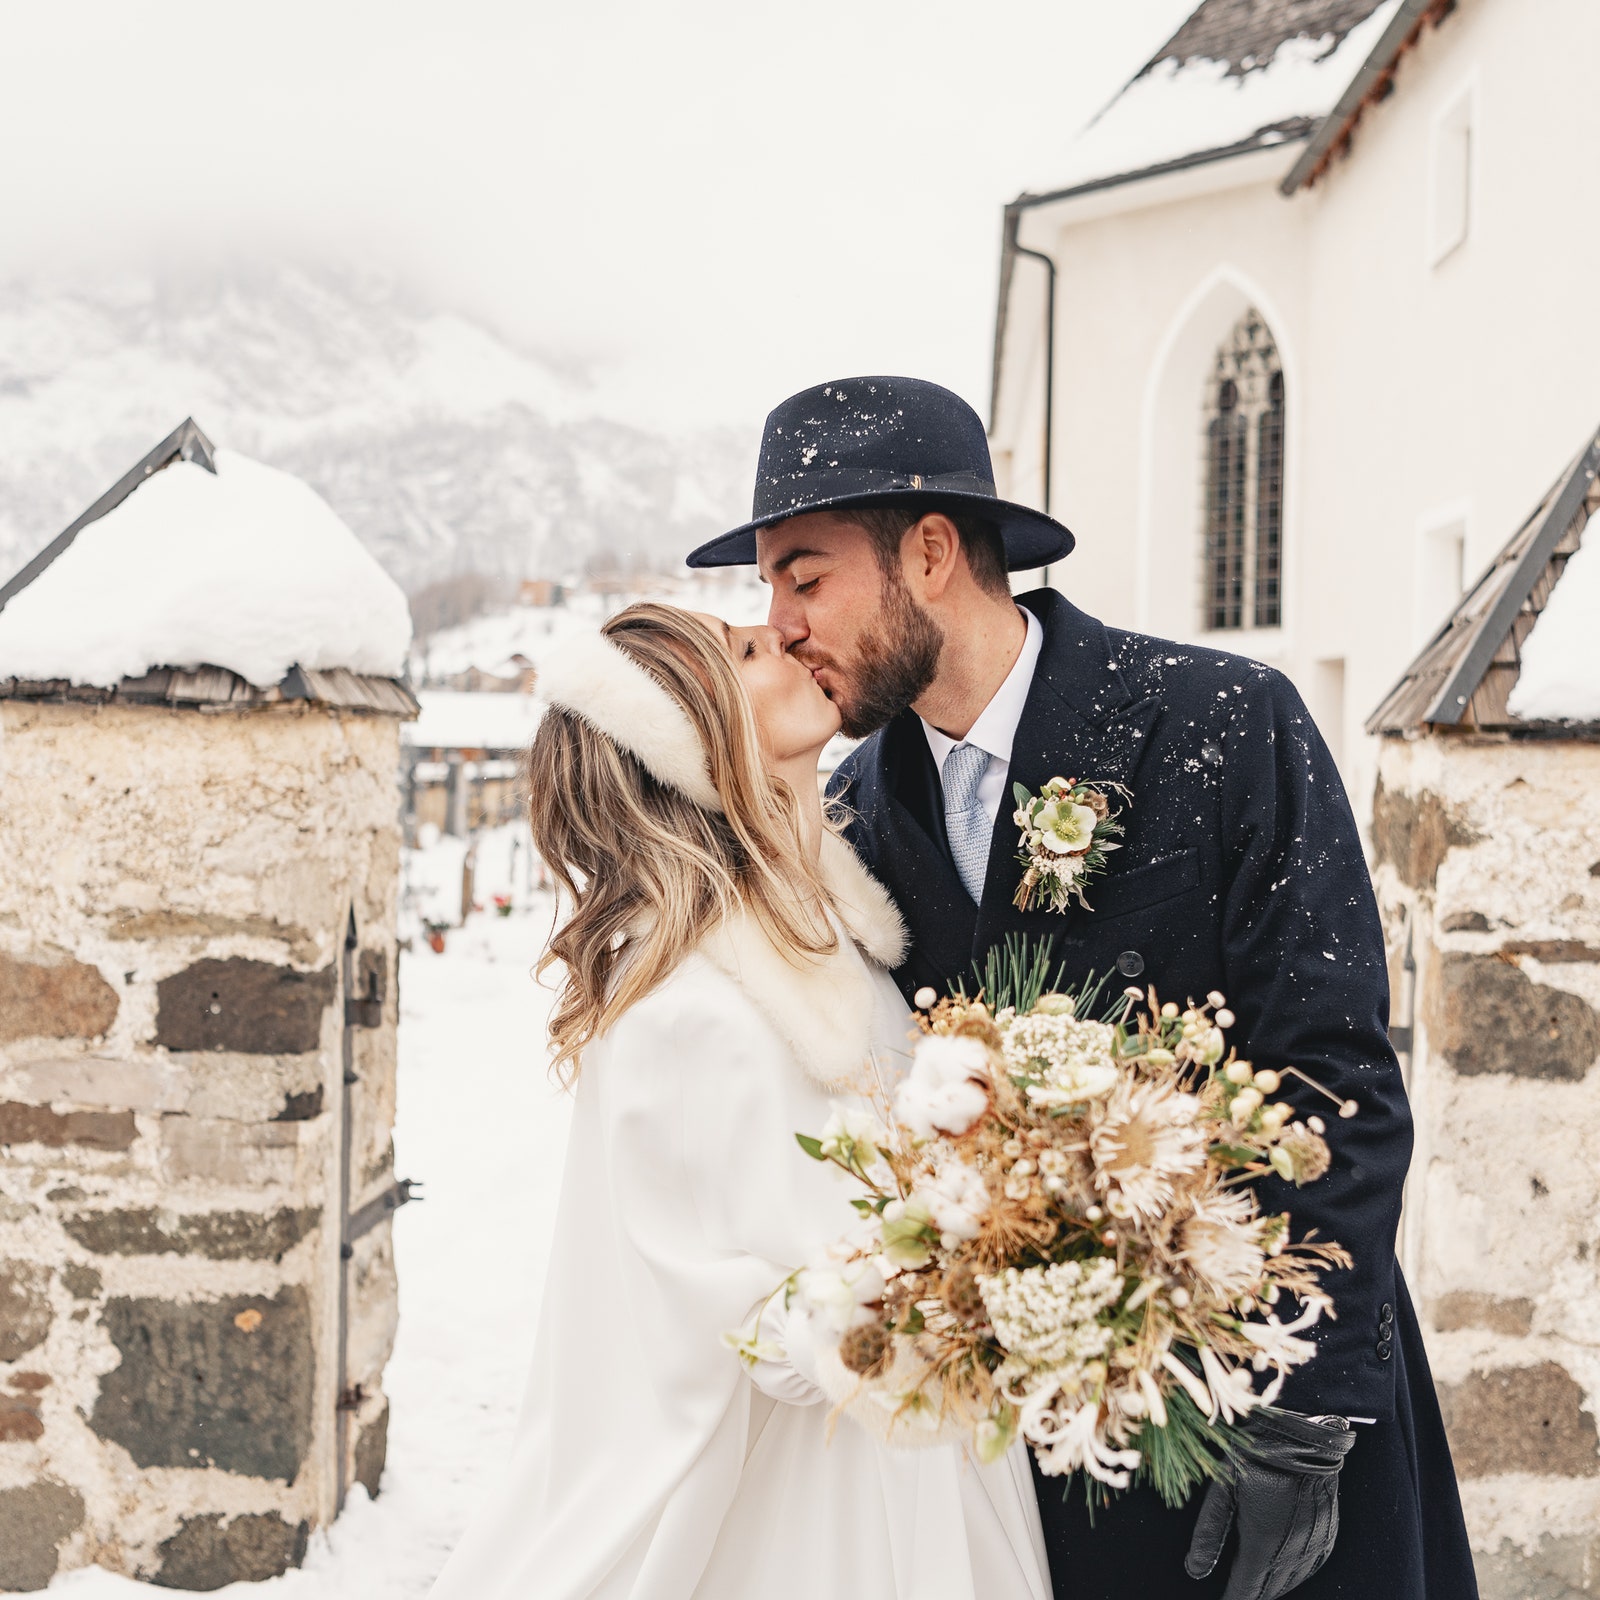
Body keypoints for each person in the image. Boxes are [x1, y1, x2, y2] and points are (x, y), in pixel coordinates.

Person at [686, 376, 1478, 1600]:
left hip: (1272, 1390)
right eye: (769, 590)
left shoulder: (1219, 723)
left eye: (804, 575)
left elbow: (1335, 1070)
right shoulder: (843, 820)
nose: (780, 623)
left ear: (933, 554)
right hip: (1034, 1461)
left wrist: (1304, 1405)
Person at [427, 602, 1049, 1600]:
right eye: (752, 651)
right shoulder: (690, 1008)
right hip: (822, 1509)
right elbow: (743, 1316)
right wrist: (944, 1267)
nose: (793, 636)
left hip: (921, 1452)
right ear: (700, 746)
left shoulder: (825, 933)